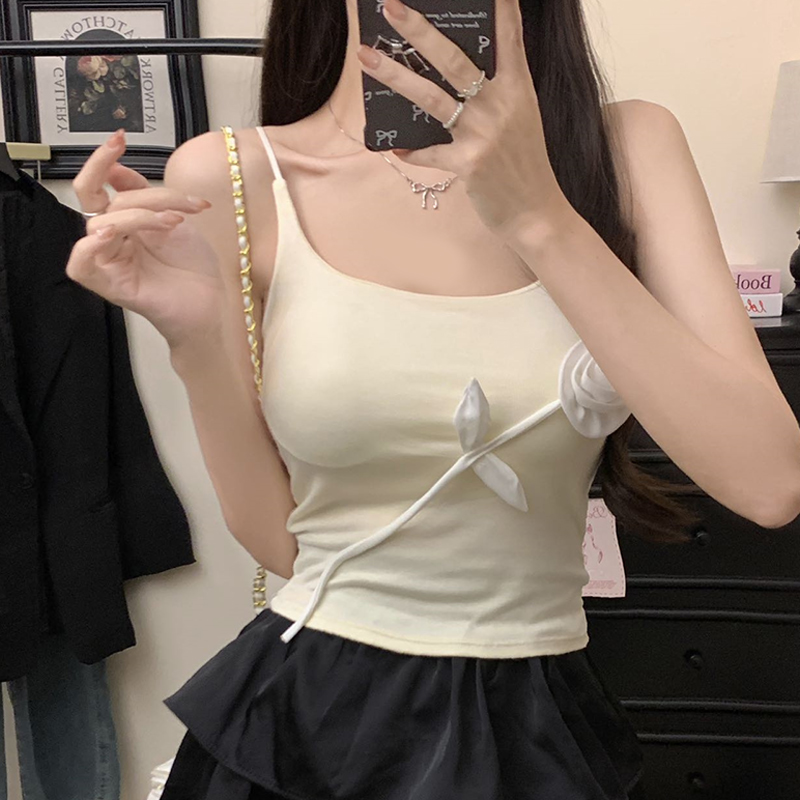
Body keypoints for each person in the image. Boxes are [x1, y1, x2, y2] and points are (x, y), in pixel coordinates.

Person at [65, 0, 800, 797]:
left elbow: (768, 483)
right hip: (309, 712)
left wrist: (538, 214)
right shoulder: (233, 175)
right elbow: (286, 544)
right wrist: (194, 339)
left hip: (531, 713)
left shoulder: (627, 149)